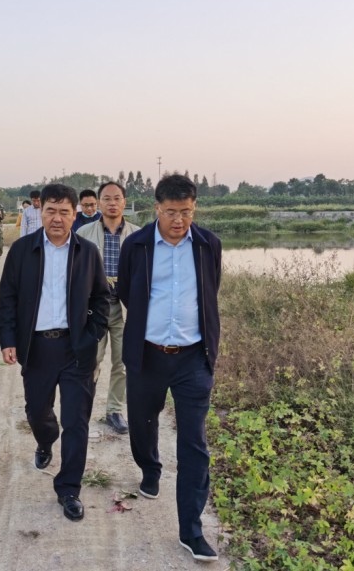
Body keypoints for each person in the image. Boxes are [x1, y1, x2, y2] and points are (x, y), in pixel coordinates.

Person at [117, 174, 222, 562]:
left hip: (194, 357)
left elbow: (210, 290)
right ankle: (150, 469)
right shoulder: (136, 245)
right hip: (148, 354)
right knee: (142, 423)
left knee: (194, 443)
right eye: (172, 212)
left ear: (195, 208)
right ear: (157, 208)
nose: (180, 220)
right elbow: (126, 291)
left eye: (187, 212)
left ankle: (191, 530)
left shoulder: (208, 244)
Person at [0, 183, 110, 522]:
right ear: (40, 211)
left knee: (77, 421)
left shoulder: (87, 251)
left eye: (64, 212)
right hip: (37, 347)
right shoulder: (22, 250)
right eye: (51, 211)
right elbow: (7, 298)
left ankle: (69, 489)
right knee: (37, 411)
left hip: (77, 349)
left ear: (74, 215)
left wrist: (92, 335)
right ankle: (46, 441)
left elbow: (101, 298)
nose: (57, 218)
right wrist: (8, 339)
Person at [76, 181, 139, 435]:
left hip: (125, 309)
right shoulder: (83, 233)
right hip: (95, 309)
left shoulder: (137, 235)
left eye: (117, 198)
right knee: (91, 359)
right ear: (98, 203)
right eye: (107, 199)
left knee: (122, 362)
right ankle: (82, 408)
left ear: (124, 202)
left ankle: (114, 410)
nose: (112, 203)